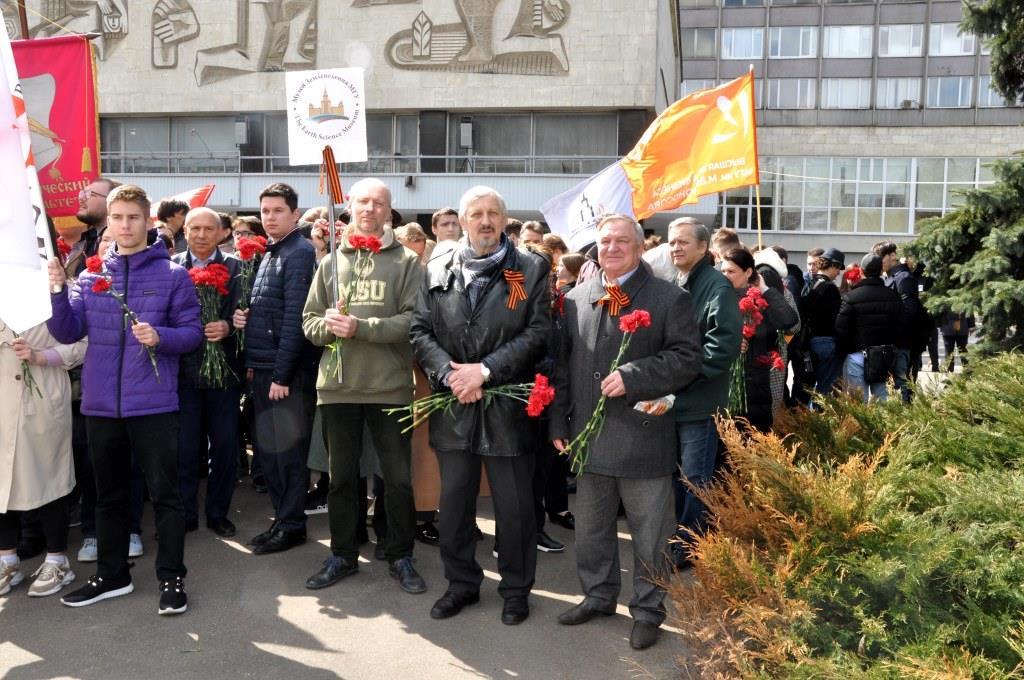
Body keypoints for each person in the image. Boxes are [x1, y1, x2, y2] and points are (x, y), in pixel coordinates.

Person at [47, 184, 202, 614]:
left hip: (153, 405)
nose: (125, 225)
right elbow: (66, 332)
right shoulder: (93, 277)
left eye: (133, 217)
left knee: (166, 496)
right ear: (109, 222)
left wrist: (161, 337)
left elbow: (191, 335)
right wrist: (58, 291)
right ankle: (112, 575)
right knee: (108, 497)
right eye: (117, 217)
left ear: (148, 221)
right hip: (100, 405)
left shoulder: (173, 275)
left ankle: (172, 579)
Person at [550, 214, 702, 650]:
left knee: (650, 535)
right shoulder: (576, 297)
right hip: (588, 439)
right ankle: (598, 595)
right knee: (592, 530)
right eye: (604, 242)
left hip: (643, 438)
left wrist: (636, 375)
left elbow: (688, 359)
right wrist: (559, 419)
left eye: (621, 241)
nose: (611, 248)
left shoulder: (667, 298)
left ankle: (649, 611)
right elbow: (562, 366)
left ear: (639, 248)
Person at [410, 185, 551, 625]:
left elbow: (535, 331)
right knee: (454, 506)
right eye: (476, 214)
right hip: (454, 404)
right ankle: (461, 584)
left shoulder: (527, 269)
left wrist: (485, 371)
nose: (485, 221)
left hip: (507, 409)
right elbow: (419, 330)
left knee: (515, 509)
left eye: (493, 213)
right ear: (463, 220)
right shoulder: (437, 266)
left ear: (504, 220)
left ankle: (515, 590)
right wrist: (451, 374)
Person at [301, 178, 426, 594]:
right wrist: (328, 328)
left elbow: (414, 322)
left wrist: (361, 327)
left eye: (379, 203)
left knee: (397, 478)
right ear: (349, 207)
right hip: (337, 386)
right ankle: (342, 554)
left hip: (389, 386)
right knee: (340, 478)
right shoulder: (330, 261)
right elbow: (310, 322)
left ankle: (400, 555)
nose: (370, 209)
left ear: (390, 212)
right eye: (362, 202)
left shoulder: (407, 262)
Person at [233, 183, 319, 555]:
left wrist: (282, 376)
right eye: (265, 210)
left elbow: (295, 321)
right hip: (265, 367)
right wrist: (246, 317)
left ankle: (292, 525)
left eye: (277, 210)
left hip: (284, 376)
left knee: (286, 456)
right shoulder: (272, 252)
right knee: (271, 455)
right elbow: (273, 309)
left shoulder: (298, 252)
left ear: (295, 214)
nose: (269, 217)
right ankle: (284, 520)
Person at [665, 218, 741, 571]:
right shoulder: (678, 282)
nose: (675, 248)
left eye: (683, 242)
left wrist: (681, 377)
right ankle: (685, 536)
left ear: (703, 248)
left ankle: (692, 544)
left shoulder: (716, 287)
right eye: (671, 242)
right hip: (676, 400)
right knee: (681, 476)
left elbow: (722, 348)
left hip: (699, 400)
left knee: (696, 478)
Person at [1, 321, 86, 598]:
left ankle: (57, 561)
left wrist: (42, 356)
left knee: (52, 478)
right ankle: (7, 560)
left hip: (42, 398)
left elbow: (83, 345)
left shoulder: (55, 294)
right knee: (3, 483)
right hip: (3, 401)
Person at [172, 208, 242, 537]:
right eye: (194, 228)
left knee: (225, 446)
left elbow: (248, 316)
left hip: (224, 374)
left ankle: (218, 513)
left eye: (208, 229)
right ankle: (185, 513)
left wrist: (228, 326)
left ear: (221, 233)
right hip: (182, 373)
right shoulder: (172, 268)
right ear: (184, 230)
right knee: (184, 448)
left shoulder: (237, 269)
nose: (201, 235)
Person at [720, 248, 799, 431]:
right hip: (725, 384)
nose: (725, 276)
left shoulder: (759, 297)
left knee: (755, 438)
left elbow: (790, 321)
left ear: (748, 272)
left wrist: (764, 289)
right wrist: (728, 343)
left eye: (731, 272)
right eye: (723, 271)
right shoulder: (718, 296)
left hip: (756, 384)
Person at [834, 254, 902, 402]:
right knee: (882, 403)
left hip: (856, 355)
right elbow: (900, 327)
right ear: (881, 271)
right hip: (884, 357)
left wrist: (845, 350)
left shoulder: (851, 297)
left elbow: (841, 329)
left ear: (862, 271)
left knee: (857, 404)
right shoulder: (893, 296)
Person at [872, 241, 928, 402]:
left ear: (892, 256)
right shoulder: (890, 277)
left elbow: (909, 311)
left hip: (902, 343)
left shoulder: (903, 278)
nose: (878, 262)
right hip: (894, 343)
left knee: (904, 389)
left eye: (881, 257)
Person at [799, 248, 844, 401]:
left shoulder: (810, 284)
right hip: (827, 341)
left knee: (812, 387)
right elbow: (837, 318)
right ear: (834, 266)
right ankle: (820, 420)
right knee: (826, 388)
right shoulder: (830, 288)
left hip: (809, 342)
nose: (838, 273)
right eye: (838, 269)